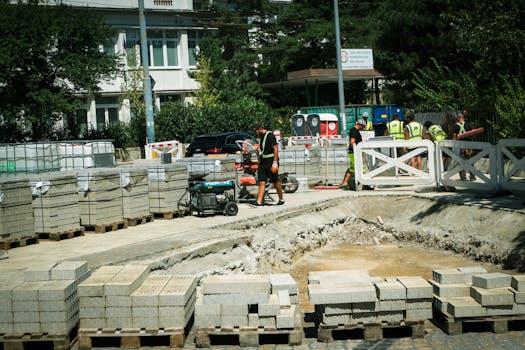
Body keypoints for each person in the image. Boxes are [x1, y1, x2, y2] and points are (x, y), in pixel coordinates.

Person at [251, 125, 284, 207]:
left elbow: (275, 148)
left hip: (271, 161)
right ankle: (259, 202)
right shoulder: (262, 137)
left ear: (259, 129)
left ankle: (281, 199)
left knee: (275, 181)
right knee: (262, 181)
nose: (256, 133)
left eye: (256, 131)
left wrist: (275, 162)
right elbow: (263, 148)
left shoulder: (270, 135)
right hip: (263, 162)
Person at [340, 119, 366, 190]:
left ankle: (345, 183)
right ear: (359, 124)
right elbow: (352, 142)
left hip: (353, 152)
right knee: (361, 169)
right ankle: (363, 184)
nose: (363, 128)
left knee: (352, 169)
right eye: (363, 126)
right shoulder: (354, 131)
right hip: (354, 153)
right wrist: (356, 151)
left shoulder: (355, 131)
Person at [453, 113, 476, 181]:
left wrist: (453, 144)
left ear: (459, 118)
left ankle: (463, 177)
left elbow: (454, 137)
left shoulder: (455, 126)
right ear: (463, 118)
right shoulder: (468, 124)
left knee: (461, 162)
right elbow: (473, 133)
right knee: (471, 161)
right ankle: (472, 177)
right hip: (469, 145)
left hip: (461, 146)